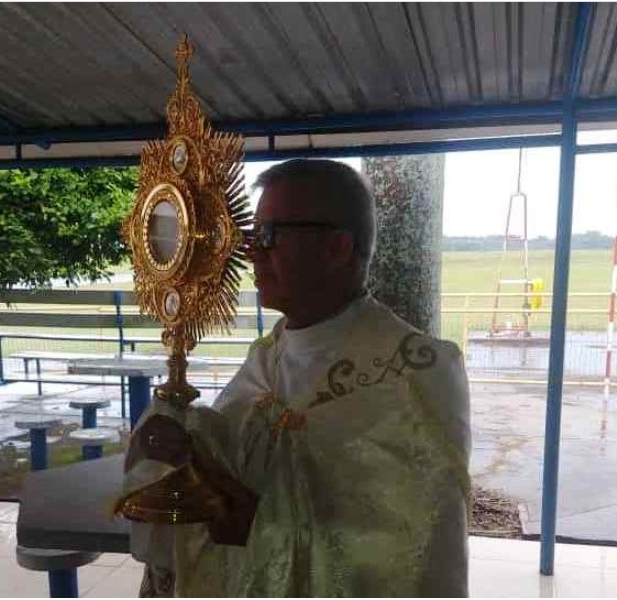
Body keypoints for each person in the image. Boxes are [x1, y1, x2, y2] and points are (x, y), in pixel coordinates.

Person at [123, 159, 471, 597]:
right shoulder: (267, 357)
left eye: (269, 235)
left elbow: (414, 559)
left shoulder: (417, 369)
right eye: (252, 236)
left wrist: (261, 527)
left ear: (336, 249)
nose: (252, 252)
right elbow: (237, 453)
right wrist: (184, 443)